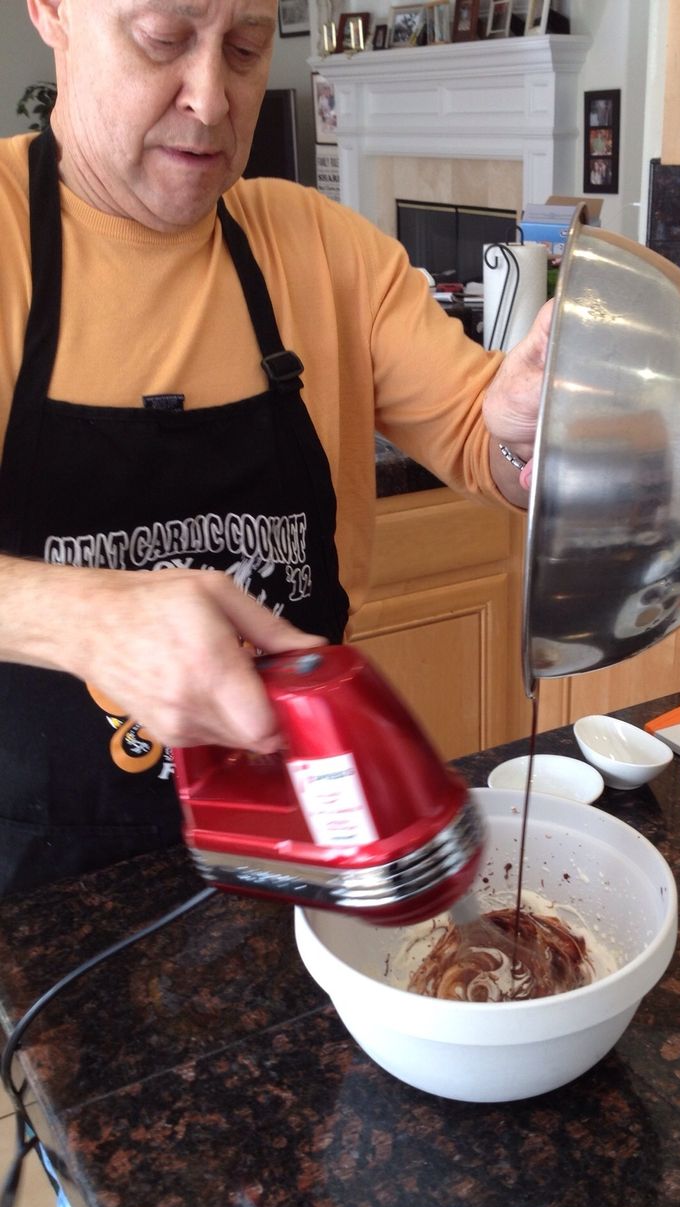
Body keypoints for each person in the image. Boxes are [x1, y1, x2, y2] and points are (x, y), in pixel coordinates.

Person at [0, 0, 550, 903]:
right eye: (163, 39)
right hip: (38, 895)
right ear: (52, 11)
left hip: (306, 851)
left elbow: (477, 433)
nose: (212, 99)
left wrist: (526, 426)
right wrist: (87, 616)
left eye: (247, 48)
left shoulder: (321, 249)